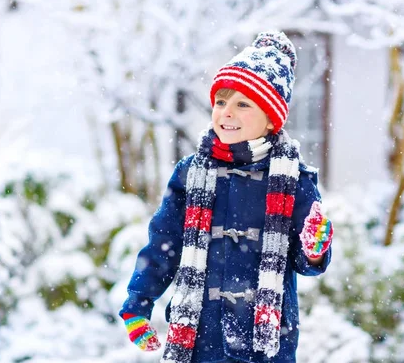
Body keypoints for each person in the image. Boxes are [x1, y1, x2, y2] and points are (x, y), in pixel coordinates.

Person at [119, 31, 334, 363]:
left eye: (242, 104)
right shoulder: (191, 174)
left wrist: (314, 249)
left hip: (265, 345)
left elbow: (306, 264)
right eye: (221, 102)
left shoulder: (295, 181)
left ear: (269, 119)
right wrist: (138, 302)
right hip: (199, 340)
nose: (226, 113)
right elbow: (164, 242)